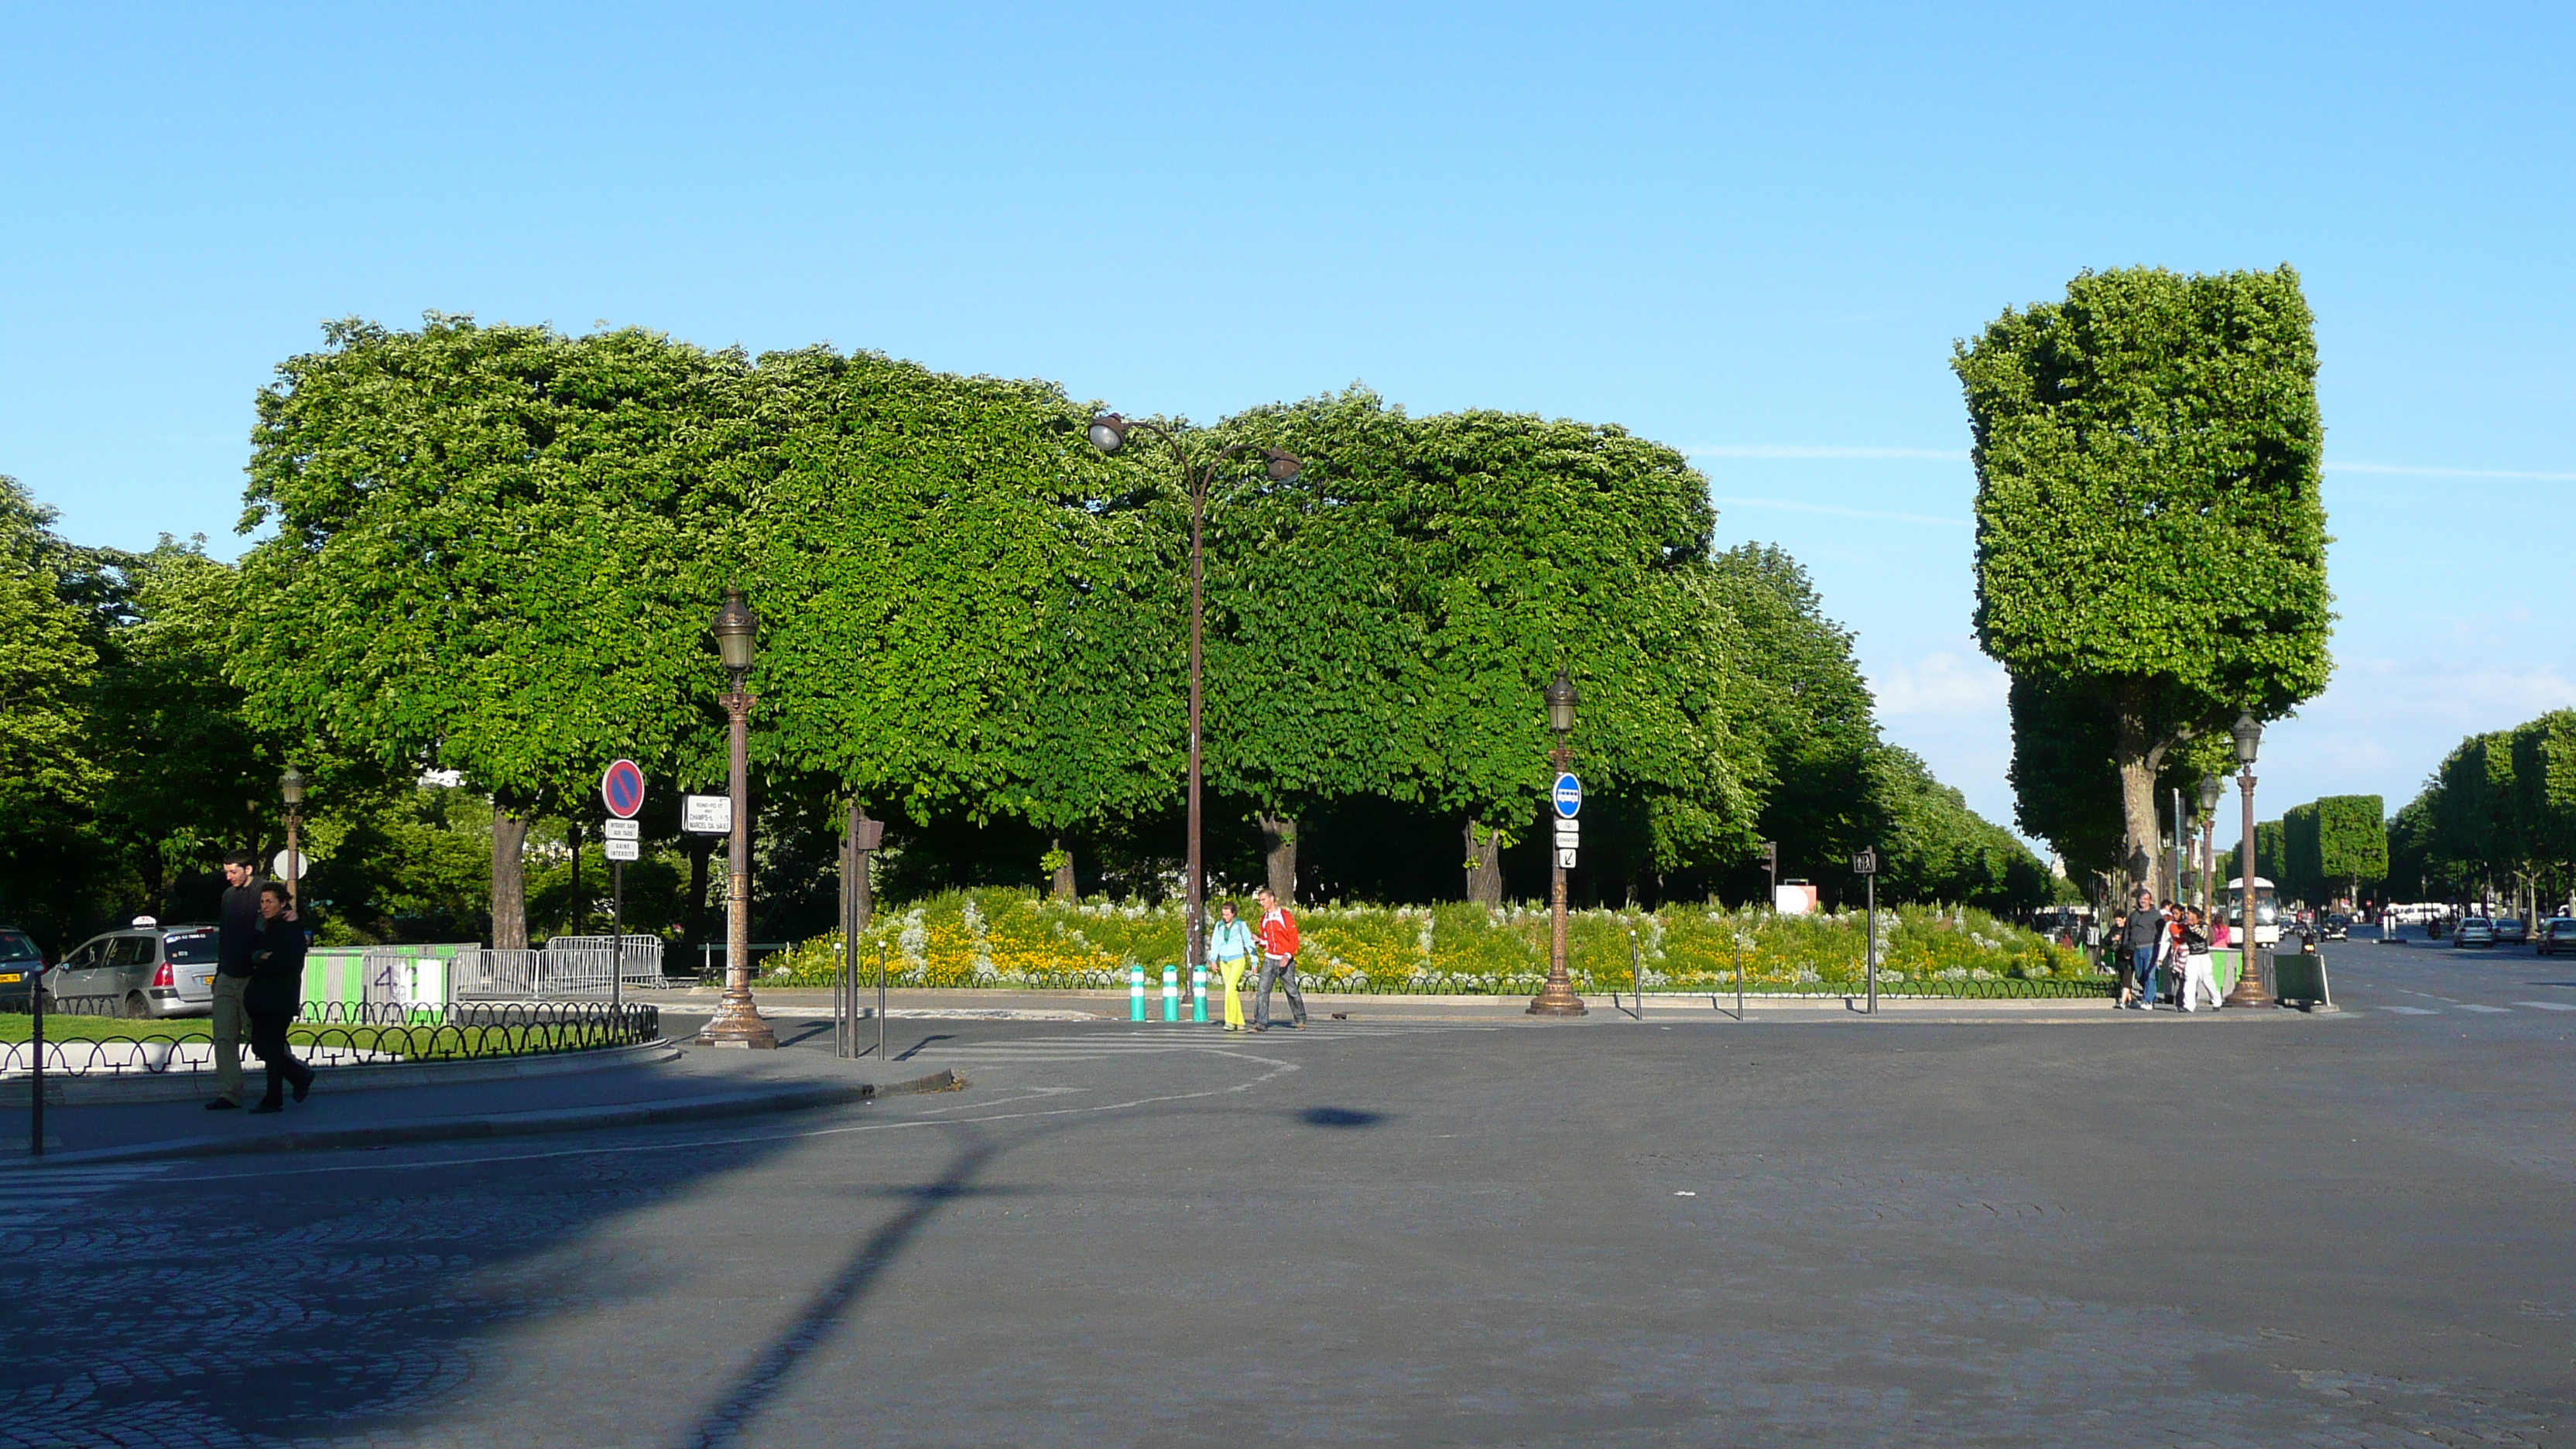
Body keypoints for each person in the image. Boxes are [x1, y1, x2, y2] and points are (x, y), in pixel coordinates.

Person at [245, 881, 315, 1113]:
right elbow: (252, 952)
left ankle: (273, 1098)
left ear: (282, 902)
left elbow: (288, 961)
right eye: (263, 901)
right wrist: (258, 957)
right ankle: (300, 1076)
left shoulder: (289, 928)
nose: (265, 906)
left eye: (270, 901)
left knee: (272, 1049)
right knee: (261, 1047)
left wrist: (265, 960)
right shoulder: (266, 926)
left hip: (279, 997)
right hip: (262, 997)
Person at [205, 850, 262, 1110]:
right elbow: (225, 938)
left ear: (248, 869)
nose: (229, 877)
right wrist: (219, 972)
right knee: (224, 1035)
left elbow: (270, 934)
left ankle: (294, 1073)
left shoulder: (266, 893)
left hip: (253, 976)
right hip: (228, 974)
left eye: (233, 871)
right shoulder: (227, 897)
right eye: (226, 872)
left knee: (259, 1036)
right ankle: (229, 1092)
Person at [1250, 886, 1306, 1033]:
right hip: (1270, 959)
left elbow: (1293, 938)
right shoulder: (1264, 919)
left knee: (1291, 990)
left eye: (1263, 900)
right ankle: (1260, 1023)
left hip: (1284, 959)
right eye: (1260, 900)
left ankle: (1300, 1019)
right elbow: (1267, 942)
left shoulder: (1285, 916)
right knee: (1262, 991)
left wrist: (1287, 955)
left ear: (1272, 899)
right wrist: (1258, 941)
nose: (1261, 903)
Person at [1208, 900, 1255, 1033]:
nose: (1225, 917)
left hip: (1237, 960)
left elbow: (1248, 942)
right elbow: (1215, 943)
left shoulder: (1241, 925)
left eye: (1228, 914)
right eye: (1223, 914)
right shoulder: (1219, 926)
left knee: (1229, 989)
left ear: (1234, 914)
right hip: (1224, 961)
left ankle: (1230, 1021)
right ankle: (1239, 1021)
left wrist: (1254, 960)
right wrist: (1213, 959)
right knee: (1232, 991)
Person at [2119, 889, 2163, 1011]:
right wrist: (2126, 947)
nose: (2143, 901)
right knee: (2140, 975)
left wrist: (2161, 949)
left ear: (2151, 901)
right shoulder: (2134, 915)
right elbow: (2127, 931)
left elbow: (2162, 933)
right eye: (2141, 899)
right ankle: (2151, 995)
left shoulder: (2156, 915)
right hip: (2136, 949)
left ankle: (2147, 1000)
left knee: (2150, 975)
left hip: (2150, 948)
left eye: (2146, 899)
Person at [2176, 907, 2221, 1011]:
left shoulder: (2203, 925)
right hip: (2191, 956)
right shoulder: (2186, 928)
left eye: (2189, 913)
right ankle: (2189, 1005)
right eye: (2186, 914)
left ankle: (2216, 1000)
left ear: (2195, 915)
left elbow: (2204, 935)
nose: (2187, 916)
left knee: (2207, 980)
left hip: (2203, 956)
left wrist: (2194, 927)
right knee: (2190, 980)